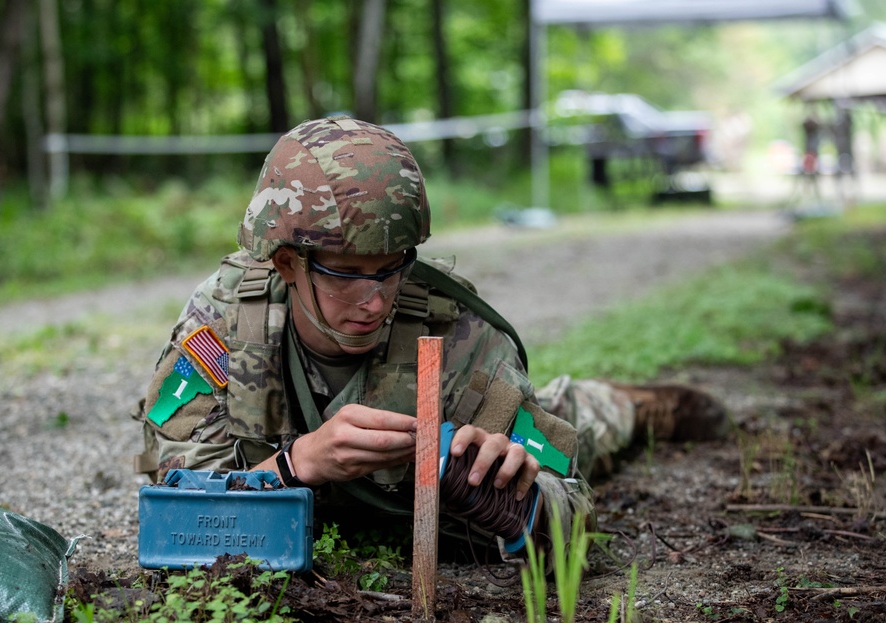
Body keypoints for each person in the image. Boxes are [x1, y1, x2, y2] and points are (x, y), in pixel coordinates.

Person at [134, 117, 728, 569]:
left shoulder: (460, 337)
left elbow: (569, 511)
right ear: (288, 263)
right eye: (347, 273)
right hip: (298, 469)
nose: (376, 298)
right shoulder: (225, 322)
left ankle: (631, 404)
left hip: (486, 440)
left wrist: (515, 500)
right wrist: (299, 465)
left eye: (392, 268)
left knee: (579, 420)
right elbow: (174, 511)